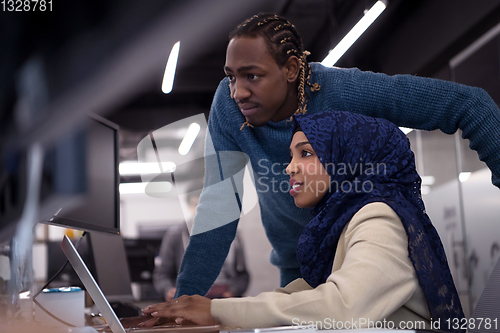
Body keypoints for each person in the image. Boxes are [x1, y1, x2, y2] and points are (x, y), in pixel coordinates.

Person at [175, 12, 500, 298]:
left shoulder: (341, 90)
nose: (238, 91)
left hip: (365, 258)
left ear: (290, 69)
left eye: (252, 76)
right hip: (298, 268)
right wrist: (182, 304)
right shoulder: (228, 106)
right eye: (231, 76)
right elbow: (220, 206)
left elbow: (470, 105)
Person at [138, 111, 464, 331]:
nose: (289, 167)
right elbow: (301, 295)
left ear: (346, 158)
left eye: (305, 153)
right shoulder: (342, 222)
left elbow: (341, 307)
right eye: (292, 156)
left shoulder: (378, 218)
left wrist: (216, 311)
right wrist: (212, 309)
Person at [153, 189, 249, 301]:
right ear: (188, 206)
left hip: (223, 299)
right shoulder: (175, 235)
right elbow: (161, 275)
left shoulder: (233, 235)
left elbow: (243, 276)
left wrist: (232, 292)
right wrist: (168, 289)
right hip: (188, 299)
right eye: (196, 205)